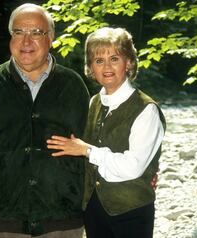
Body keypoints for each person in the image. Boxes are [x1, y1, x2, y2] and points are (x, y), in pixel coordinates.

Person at [0, 3, 89, 238]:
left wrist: (139, 176)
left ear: (51, 38)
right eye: (19, 32)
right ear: (10, 37)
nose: (26, 41)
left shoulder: (73, 85)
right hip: (2, 223)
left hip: (63, 224)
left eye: (36, 32)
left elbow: (97, 146)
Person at [46, 27, 166, 238]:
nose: (107, 66)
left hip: (131, 213)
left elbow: (132, 167)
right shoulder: (94, 103)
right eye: (99, 60)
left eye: (114, 58)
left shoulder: (147, 109)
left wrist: (88, 151)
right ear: (91, 67)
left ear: (128, 63)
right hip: (94, 209)